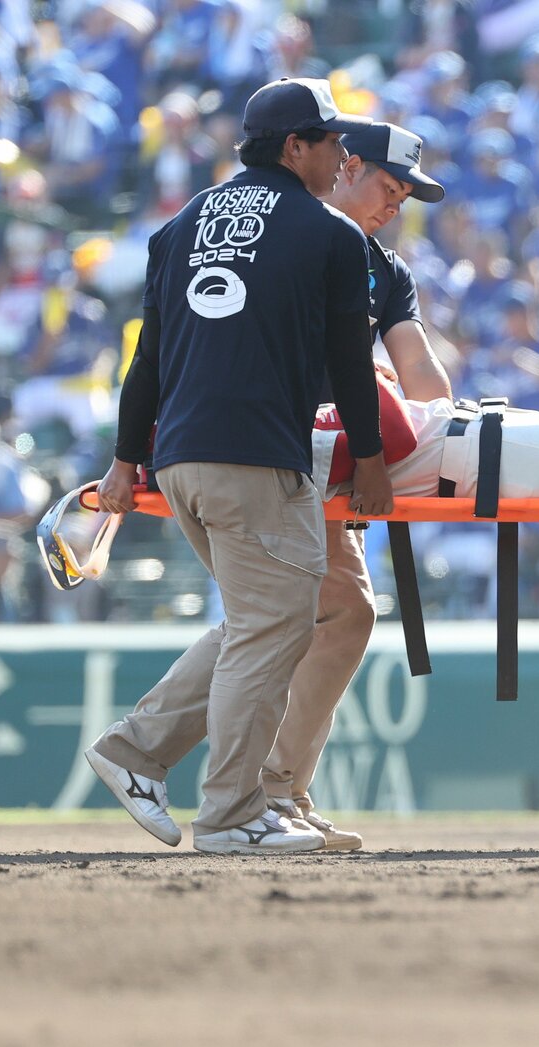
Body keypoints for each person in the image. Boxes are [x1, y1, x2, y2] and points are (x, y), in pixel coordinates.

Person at [84, 78, 390, 856]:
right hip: (255, 455)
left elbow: (146, 361)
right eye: (332, 142)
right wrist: (375, 460)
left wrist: (127, 461)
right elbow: (353, 368)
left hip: (181, 457)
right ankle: (229, 810)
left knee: (270, 621)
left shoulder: (179, 227)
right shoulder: (330, 234)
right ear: (295, 147)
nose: (342, 156)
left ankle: (139, 752)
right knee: (280, 621)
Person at [258, 119, 451, 850]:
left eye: (403, 199)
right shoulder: (286, 233)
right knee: (290, 619)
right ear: (345, 166)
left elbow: (422, 377)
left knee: (345, 614)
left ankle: (276, 789)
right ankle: (239, 784)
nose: (391, 209)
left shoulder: (382, 269)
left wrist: (438, 425)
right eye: (386, 189)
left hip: (328, 460)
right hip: (265, 450)